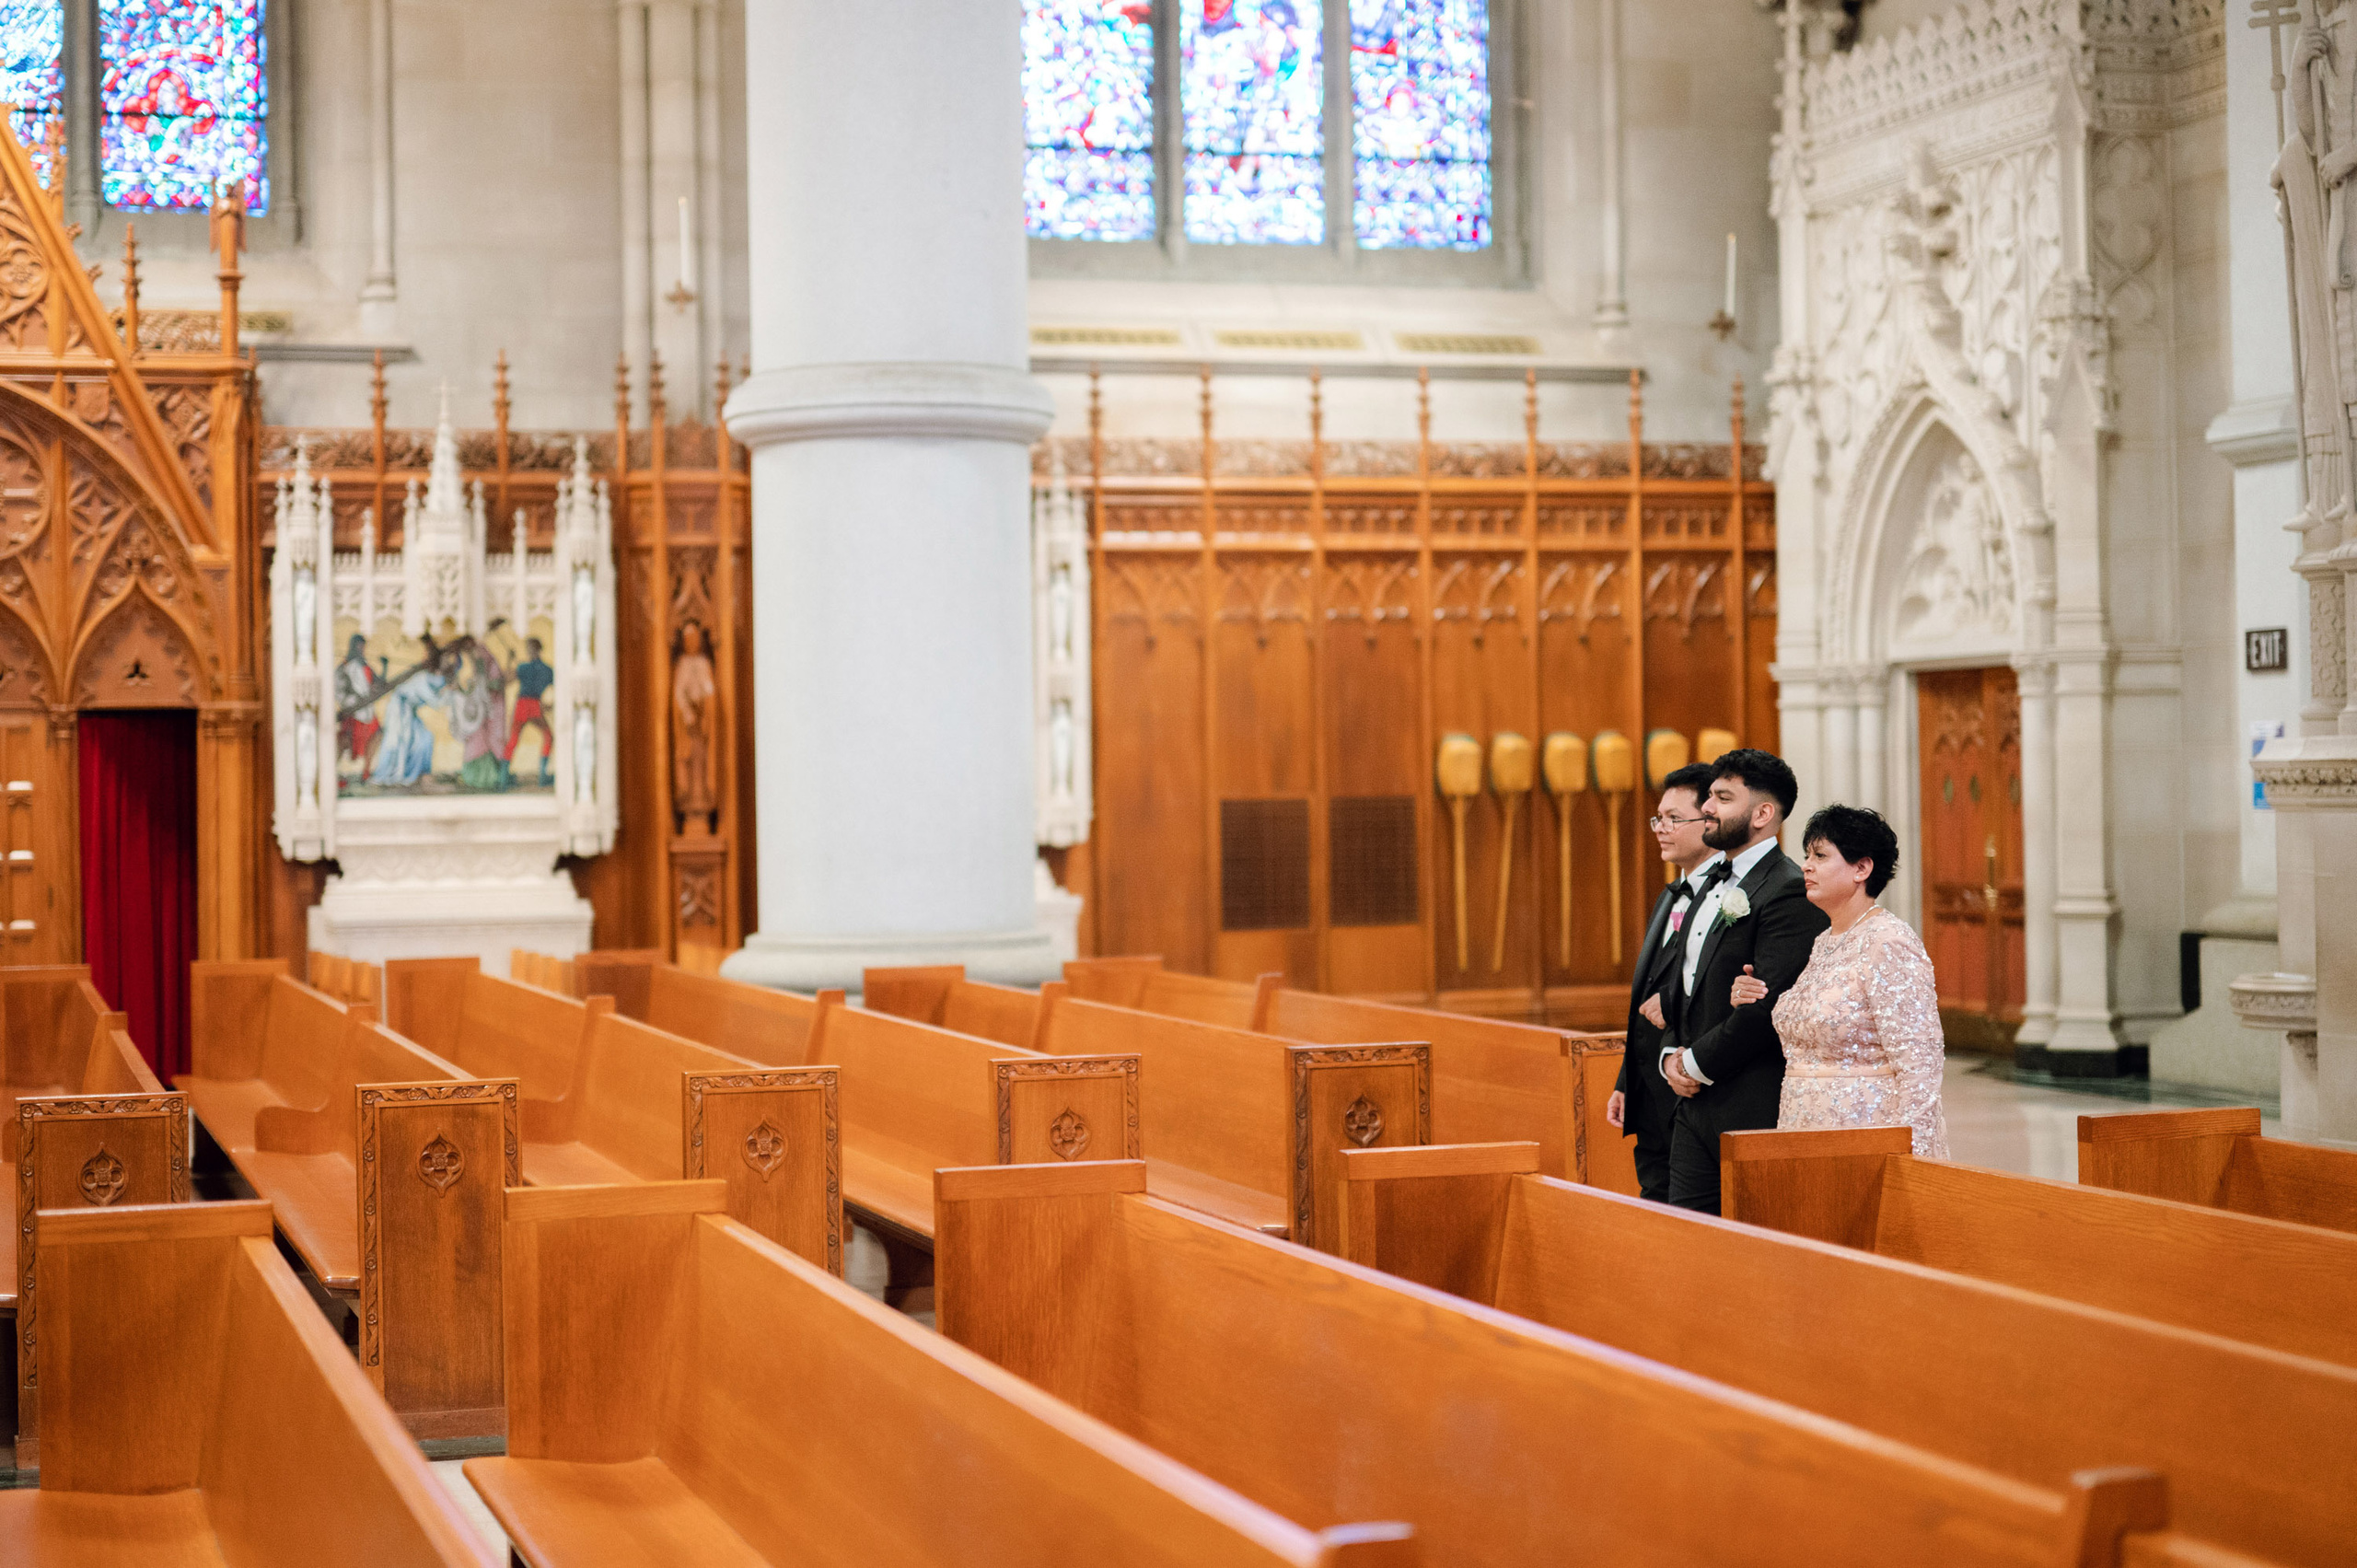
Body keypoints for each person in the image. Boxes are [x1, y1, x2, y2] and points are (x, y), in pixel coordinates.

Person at [1657, 749, 1829, 1214]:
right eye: (1709, 795)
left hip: (1748, 1104)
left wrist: (1692, 1064)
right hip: (1691, 1103)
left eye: (1722, 797)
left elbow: (1765, 1010)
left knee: (1747, 1249)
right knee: (1687, 1242)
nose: (1707, 807)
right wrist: (1671, 1054)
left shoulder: (1788, 889)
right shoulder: (1709, 879)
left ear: (1763, 813)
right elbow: (1683, 982)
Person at [1732, 804, 1949, 1157]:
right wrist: (1750, 995)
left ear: (1862, 868)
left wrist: (1913, 1153)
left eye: (1820, 855)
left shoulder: (1888, 941)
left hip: (1864, 1129)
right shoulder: (1824, 941)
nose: (1806, 866)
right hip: (1802, 1125)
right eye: (1807, 855)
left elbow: (1920, 1063)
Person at [1607, 761, 1721, 1202]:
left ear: (1710, 820)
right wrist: (1624, 1082)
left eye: (1675, 818)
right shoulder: (1671, 893)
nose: (1661, 828)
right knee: (1653, 1200)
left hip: (1687, 1087)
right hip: (1648, 1087)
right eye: (1659, 818)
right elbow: (1643, 995)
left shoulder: (1731, 897)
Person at [505, 638, 556, 784]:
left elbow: (507, 680)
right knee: (548, 736)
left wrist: (510, 660)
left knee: (513, 740)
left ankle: (503, 779)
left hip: (523, 704)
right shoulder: (547, 669)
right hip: (534, 705)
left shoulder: (523, 667)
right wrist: (551, 704)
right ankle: (542, 777)